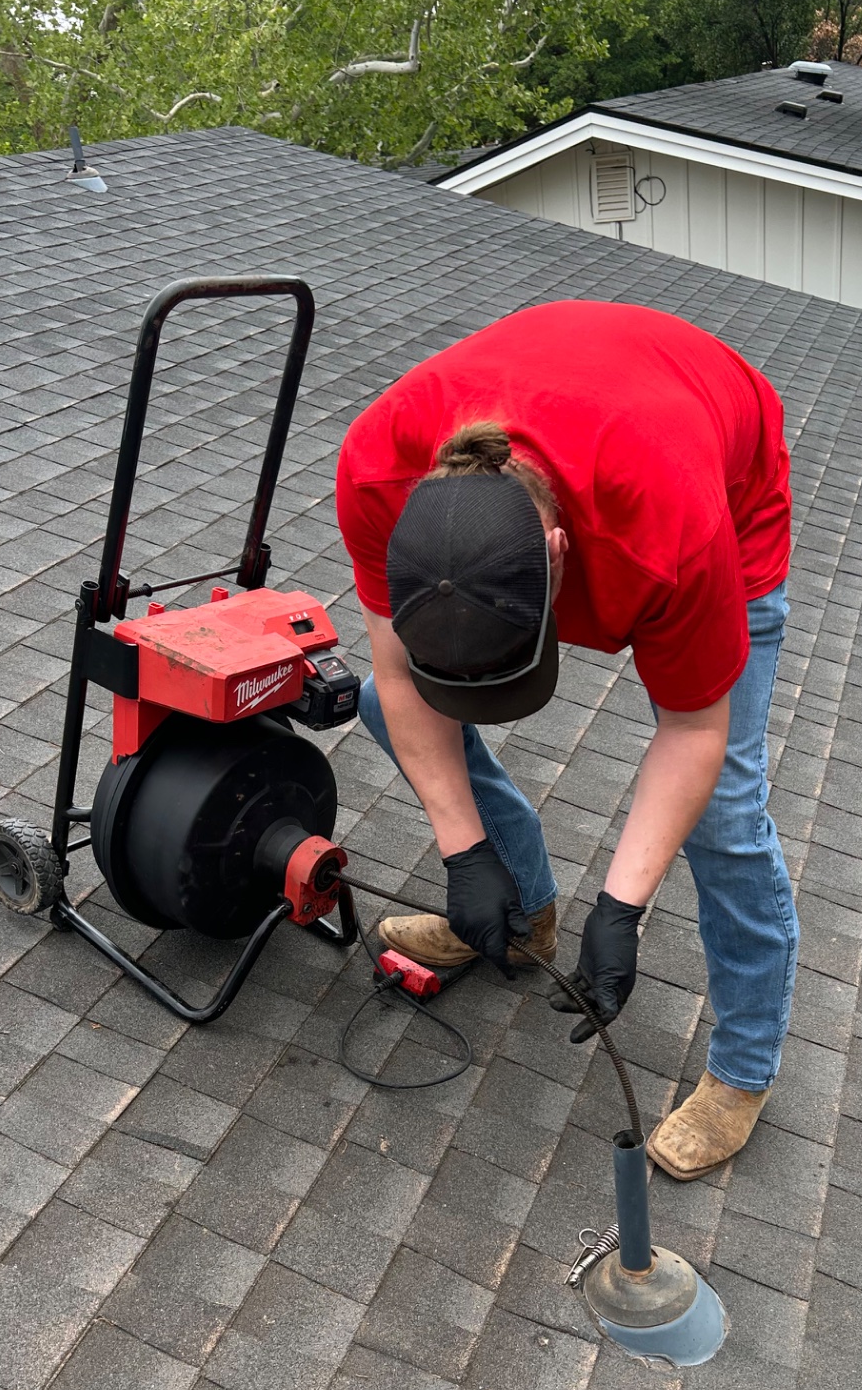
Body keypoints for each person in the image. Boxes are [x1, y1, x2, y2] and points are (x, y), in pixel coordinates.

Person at [335, 300, 797, 1179]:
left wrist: (622, 910)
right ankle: (524, 918)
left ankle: (744, 1069)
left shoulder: (670, 526)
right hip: (596, 417)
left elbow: (694, 729)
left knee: (724, 813)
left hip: (719, 476)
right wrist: (464, 853)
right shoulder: (376, 472)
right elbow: (401, 680)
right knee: (370, 699)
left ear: (557, 553)